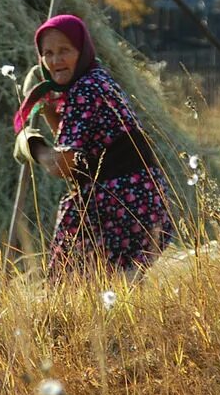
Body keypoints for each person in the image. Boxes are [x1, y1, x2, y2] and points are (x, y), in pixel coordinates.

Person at [13, 14, 172, 274]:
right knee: (119, 290)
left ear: (82, 50)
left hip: (121, 205)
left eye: (65, 50)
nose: (55, 60)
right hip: (141, 201)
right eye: (48, 53)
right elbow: (78, 148)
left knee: (74, 292)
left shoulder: (85, 90)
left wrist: (31, 144)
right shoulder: (96, 80)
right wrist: (48, 110)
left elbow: (62, 166)